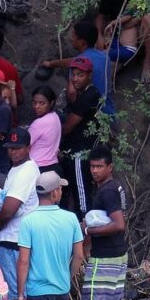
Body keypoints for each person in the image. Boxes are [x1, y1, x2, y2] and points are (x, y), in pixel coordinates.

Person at [17, 171, 85, 300]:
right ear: (54, 193)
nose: (61, 192)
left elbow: (23, 261)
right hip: (62, 289)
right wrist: (68, 277)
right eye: (60, 189)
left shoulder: (28, 221)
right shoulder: (71, 219)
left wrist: (21, 293)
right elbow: (79, 255)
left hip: (39, 291)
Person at [81, 145, 128, 300]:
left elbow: (119, 224)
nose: (95, 171)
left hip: (105, 256)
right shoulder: (116, 186)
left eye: (99, 166)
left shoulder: (107, 192)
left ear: (110, 167)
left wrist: (88, 230)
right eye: (92, 167)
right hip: (119, 254)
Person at [0, 127, 40, 300]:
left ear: (28, 148)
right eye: (10, 148)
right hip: (12, 238)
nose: (13, 152)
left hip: (16, 240)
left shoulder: (27, 170)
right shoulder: (15, 169)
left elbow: (10, 209)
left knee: (17, 295)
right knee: (14, 293)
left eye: (17, 148)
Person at [41, 20, 114, 116]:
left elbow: (72, 95)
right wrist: (51, 64)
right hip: (108, 108)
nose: (71, 38)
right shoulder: (105, 57)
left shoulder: (78, 66)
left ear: (82, 43)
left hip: (90, 114)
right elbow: (72, 61)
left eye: (74, 36)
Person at [60, 57, 103, 217]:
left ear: (89, 76)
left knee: (82, 195)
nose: (76, 79)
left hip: (80, 152)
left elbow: (69, 125)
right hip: (73, 151)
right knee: (70, 191)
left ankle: (87, 231)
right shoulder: (82, 94)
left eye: (80, 75)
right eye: (74, 75)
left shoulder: (89, 96)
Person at [96, 0, 150, 82]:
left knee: (149, 19)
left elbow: (143, 14)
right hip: (120, 35)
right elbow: (101, 15)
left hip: (140, 32)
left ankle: (147, 62)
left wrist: (126, 23)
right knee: (104, 68)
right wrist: (99, 36)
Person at [28, 86, 62, 174]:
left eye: (42, 103)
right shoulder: (55, 116)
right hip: (53, 166)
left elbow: (24, 145)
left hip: (38, 168)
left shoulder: (39, 123)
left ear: (51, 103)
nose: (36, 106)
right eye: (34, 102)